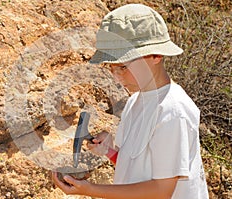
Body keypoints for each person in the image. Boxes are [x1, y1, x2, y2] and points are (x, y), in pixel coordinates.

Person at [52, 4, 209, 199]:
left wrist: (91, 190)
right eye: (112, 68)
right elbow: (140, 171)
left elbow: (162, 190)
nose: (117, 77)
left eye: (123, 67)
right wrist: (109, 152)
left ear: (156, 55)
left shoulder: (172, 111)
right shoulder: (136, 101)